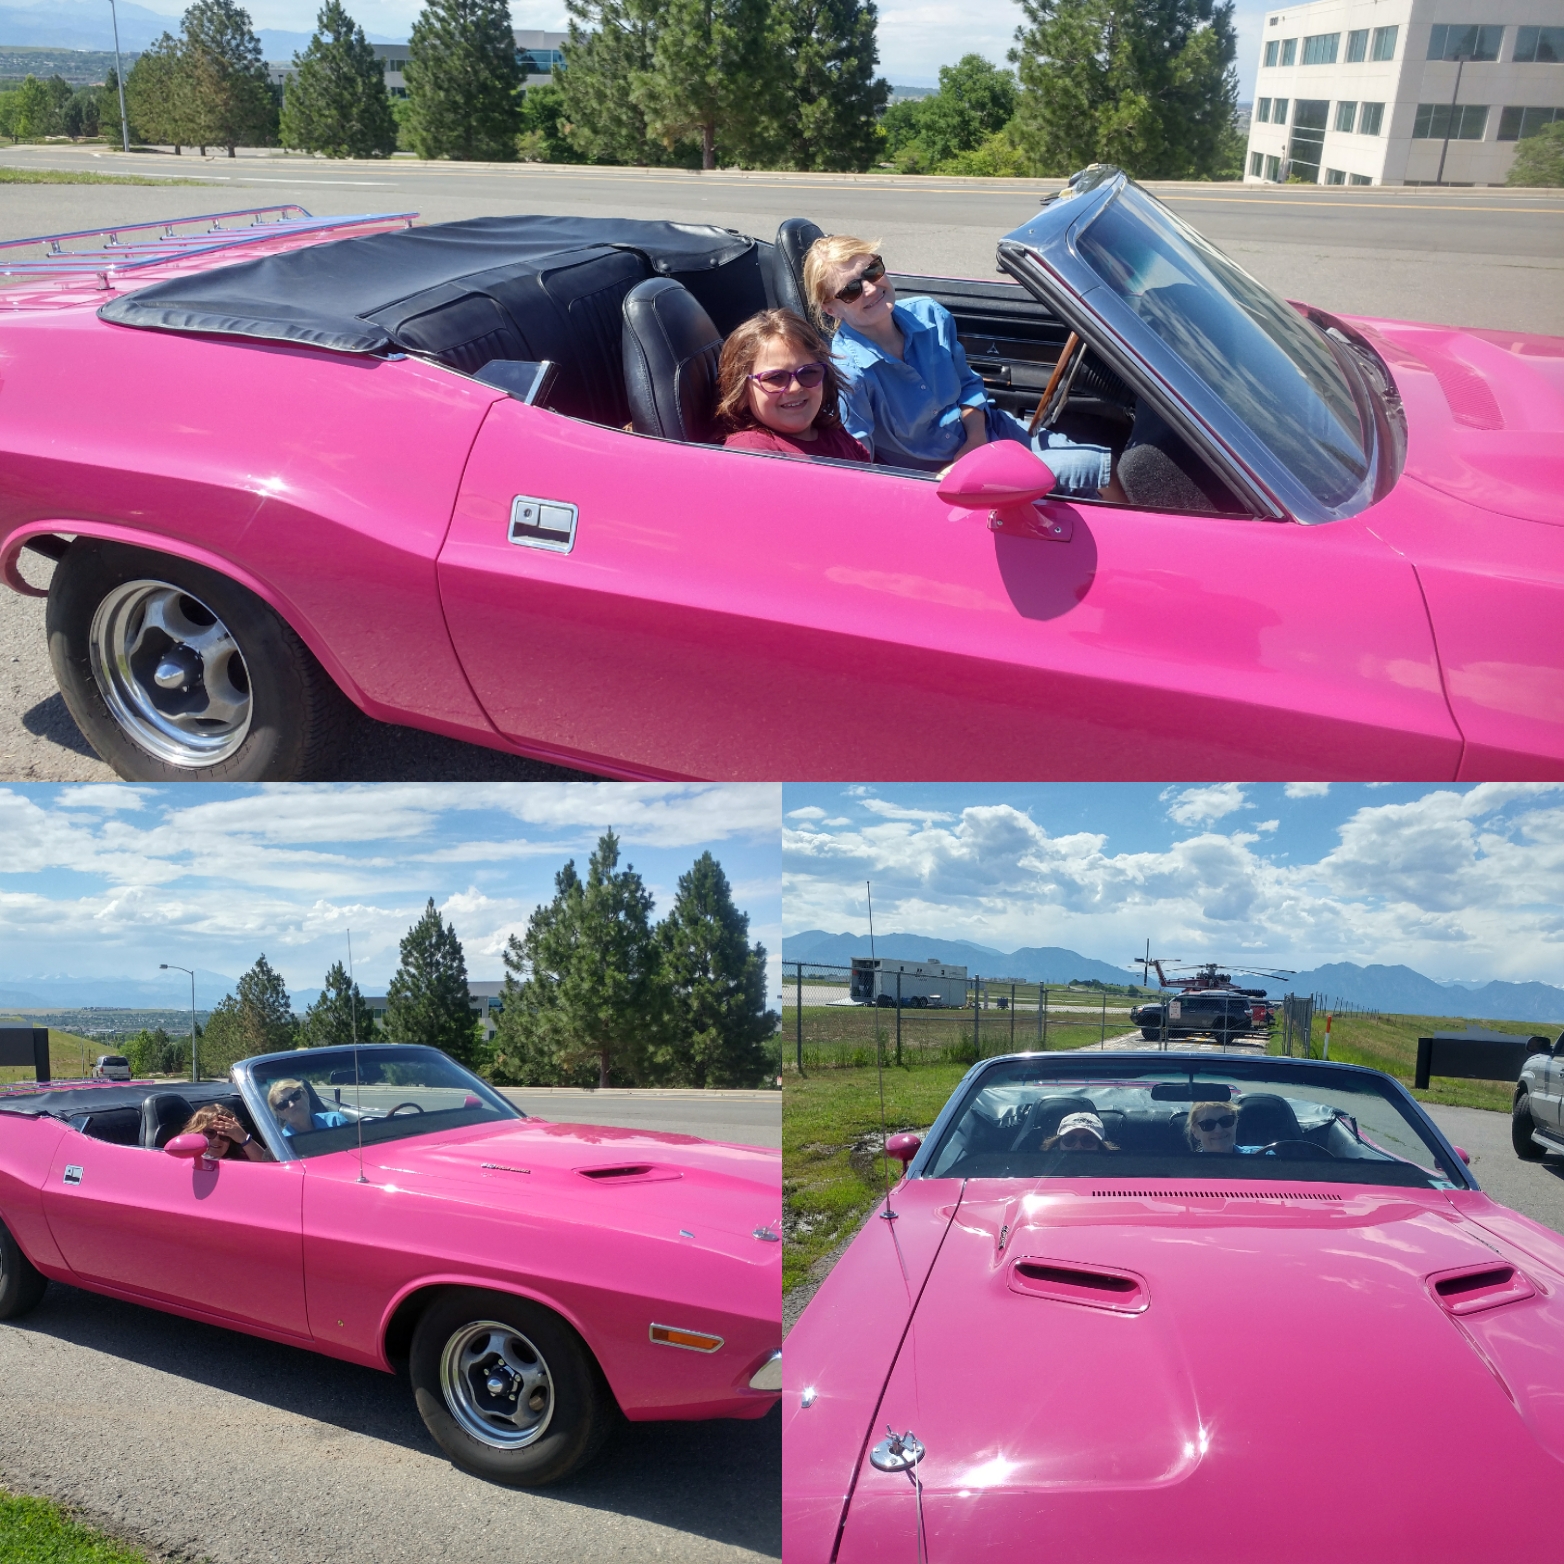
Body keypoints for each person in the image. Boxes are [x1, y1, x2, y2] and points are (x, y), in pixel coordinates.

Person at [801, 234, 1124, 499]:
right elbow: (862, 459)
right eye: (851, 290)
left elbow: (968, 386)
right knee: (1100, 467)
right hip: (944, 475)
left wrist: (975, 438)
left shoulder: (931, 315)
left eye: (872, 271)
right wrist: (931, 484)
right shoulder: (849, 372)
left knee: (1092, 481)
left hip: (988, 431)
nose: (870, 288)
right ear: (831, 309)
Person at [717, 309, 870, 462]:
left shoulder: (834, 432)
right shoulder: (751, 450)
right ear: (742, 389)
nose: (796, 388)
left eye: (808, 372)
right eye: (775, 377)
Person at [181, 1103, 268, 1162]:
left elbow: (267, 1167)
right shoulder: (184, 1159)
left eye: (224, 1135)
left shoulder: (239, 1161)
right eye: (210, 1132)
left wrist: (243, 1138)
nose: (217, 1139)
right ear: (196, 1132)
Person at [268, 1078, 348, 1138]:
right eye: (283, 1104)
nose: (292, 1105)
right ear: (279, 1114)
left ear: (306, 1095)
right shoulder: (283, 1144)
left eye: (295, 1096)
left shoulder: (336, 1121)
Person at [1041, 1111, 1119, 1152]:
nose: (1078, 1146)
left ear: (1100, 1146)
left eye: (1088, 1141)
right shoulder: (1042, 1171)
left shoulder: (1113, 1173)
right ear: (1058, 1144)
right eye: (1070, 1139)